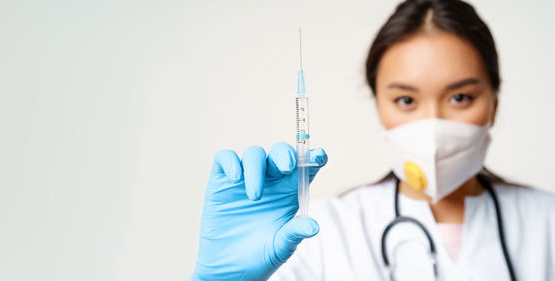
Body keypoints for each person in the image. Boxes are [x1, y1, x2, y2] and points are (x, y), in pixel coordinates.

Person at [190, 0, 555, 280]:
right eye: (406, 100)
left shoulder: (547, 222)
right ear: (378, 105)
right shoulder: (316, 233)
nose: (431, 126)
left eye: (460, 97)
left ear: (494, 103)